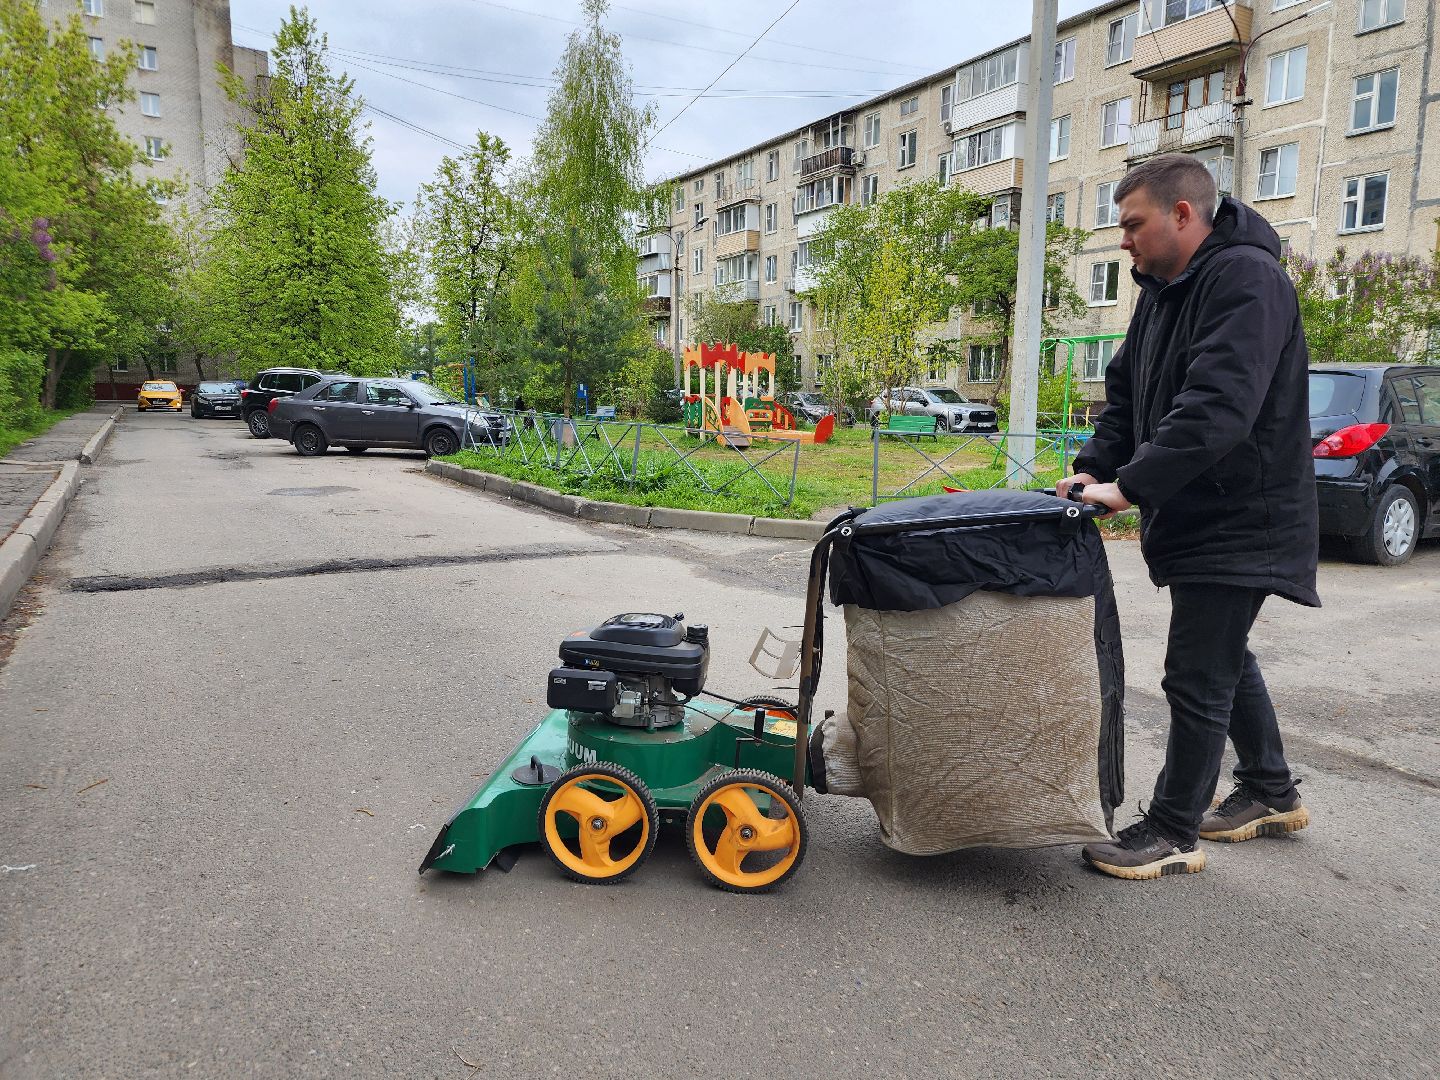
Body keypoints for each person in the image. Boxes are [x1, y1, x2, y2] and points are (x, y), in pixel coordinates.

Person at [1057, 154, 1318, 881]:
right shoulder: (1162, 292)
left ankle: (1173, 830)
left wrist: (1130, 488)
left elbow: (1217, 409)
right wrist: (1094, 467)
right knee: (1223, 658)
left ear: (1182, 214)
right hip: (1205, 514)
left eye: (1133, 224)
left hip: (1244, 516)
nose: (1123, 240)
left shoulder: (1247, 280)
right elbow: (1128, 397)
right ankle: (1270, 789)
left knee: (1196, 674)